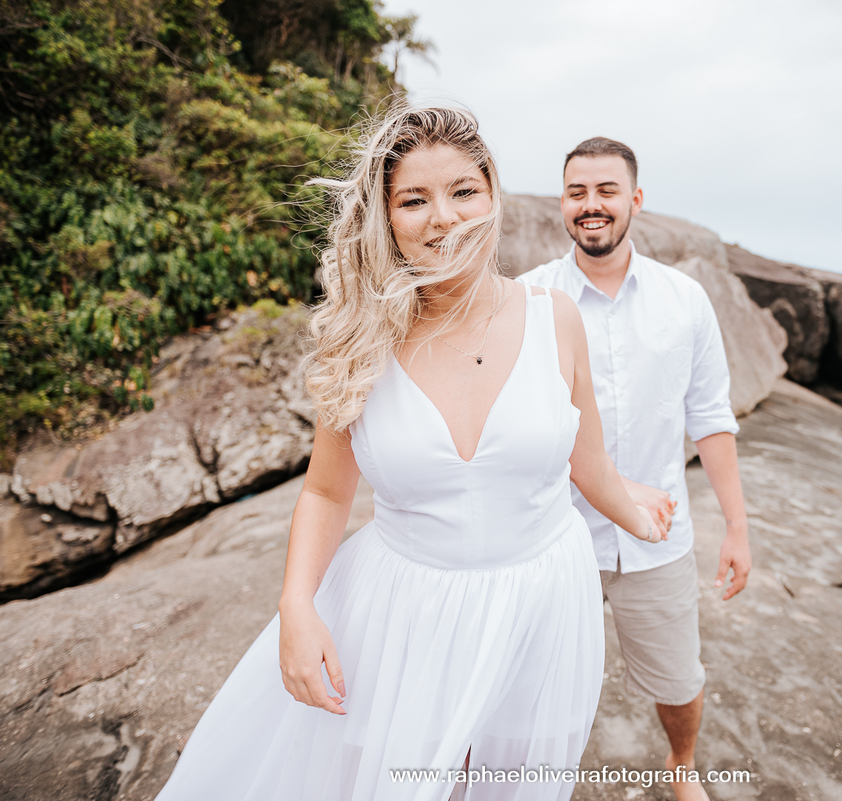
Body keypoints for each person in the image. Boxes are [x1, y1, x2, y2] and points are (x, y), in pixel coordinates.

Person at [155, 107, 672, 801]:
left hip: (541, 601)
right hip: (402, 613)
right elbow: (326, 493)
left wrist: (635, 510)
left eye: (464, 191)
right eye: (414, 199)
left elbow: (588, 463)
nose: (443, 218)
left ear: (493, 195)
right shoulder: (358, 338)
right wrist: (296, 607)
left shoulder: (557, 318)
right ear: (386, 217)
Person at [517, 137, 752, 801]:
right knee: (536, 683)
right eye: (576, 192)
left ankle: (680, 767)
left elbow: (710, 417)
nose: (591, 205)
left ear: (635, 201)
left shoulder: (686, 300)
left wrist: (736, 526)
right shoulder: (527, 298)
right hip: (552, 536)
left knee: (679, 679)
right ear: (562, 204)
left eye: (606, 191)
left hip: (659, 535)